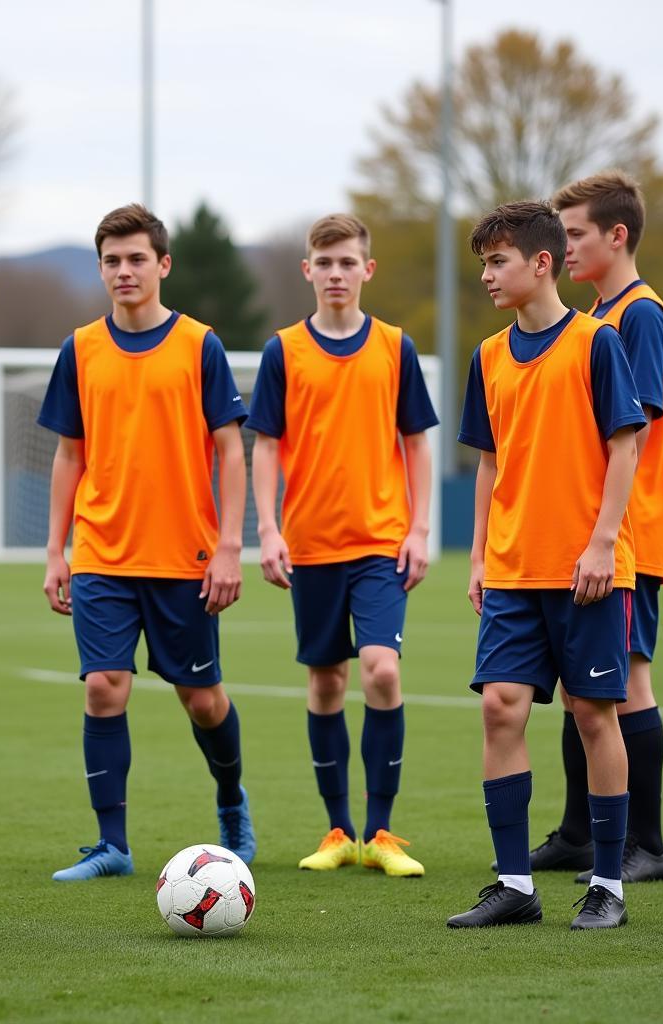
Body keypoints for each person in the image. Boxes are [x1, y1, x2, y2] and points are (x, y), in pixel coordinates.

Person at [38, 203, 255, 881]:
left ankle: (231, 801)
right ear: (100, 268)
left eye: (136, 258)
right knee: (104, 687)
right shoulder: (80, 348)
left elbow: (232, 451)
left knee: (203, 700)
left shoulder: (200, 345)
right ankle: (112, 845)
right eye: (111, 260)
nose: (124, 271)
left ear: (163, 265)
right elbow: (69, 455)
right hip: (103, 551)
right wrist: (56, 549)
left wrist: (228, 546)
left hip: (184, 556)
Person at [447, 201, 645, 930]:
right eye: (482, 264)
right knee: (500, 708)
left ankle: (607, 887)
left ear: (540, 262)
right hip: (509, 569)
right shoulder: (488, 356)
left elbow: (625, 446)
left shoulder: (597, 343)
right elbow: (488, 463)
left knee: (594, 717)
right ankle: (514, 885)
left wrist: (602, 542)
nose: (487, 276)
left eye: (497, 261)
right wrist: (477, 552)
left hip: (586, 570)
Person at [246, 214, 437, 877]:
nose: (335, 274)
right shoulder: (283, 351)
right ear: (307, 270)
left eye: (347, 263)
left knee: (382, 669)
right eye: (323, 263)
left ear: (367, 270)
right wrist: (267, 528)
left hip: (380, 542)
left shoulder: (394, 347)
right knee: (326, 682)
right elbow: (266, 444)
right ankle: (338, 831)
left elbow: (417, 441)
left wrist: (419, 528)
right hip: (310, 545)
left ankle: (382, 832)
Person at [534, 171, 663, 884]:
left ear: (617, 235)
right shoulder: (598, 316)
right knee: (580, 685)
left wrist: (604, 530)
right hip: (590, 532)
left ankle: (644, 843)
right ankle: (578, 833)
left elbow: (635, 428)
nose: (563, 249)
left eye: (576, 234)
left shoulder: (639, 315)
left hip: (626, 533)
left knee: (629, 683)